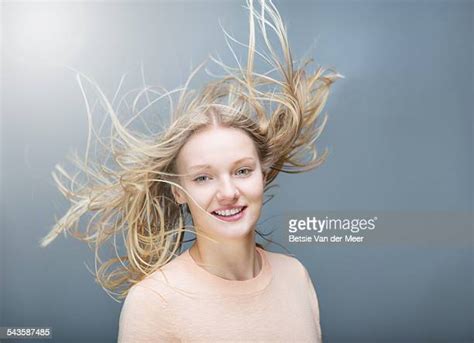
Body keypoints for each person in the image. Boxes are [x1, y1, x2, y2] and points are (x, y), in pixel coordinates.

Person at [40, 0, 342, 341]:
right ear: (178, 190)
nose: (227, 192)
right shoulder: (154, 302)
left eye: (242, 171)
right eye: (203, 177)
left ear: (263, 173)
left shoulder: (295, 277)